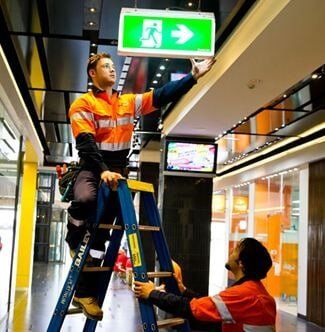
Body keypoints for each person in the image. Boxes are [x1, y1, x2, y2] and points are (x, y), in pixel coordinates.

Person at [66, 52, 215, 320]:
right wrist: (103, 172)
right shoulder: (82, 104)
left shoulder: (127, 102)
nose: (112, 70)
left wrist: (192, 77)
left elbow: (160, 95)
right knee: (86, 200)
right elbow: (86, 145)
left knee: (101, 238)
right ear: (92, 73)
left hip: (118, 171)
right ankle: (72, 237)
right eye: (106, 66)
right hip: (93, 166)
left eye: (113, 66)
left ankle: (86, 294)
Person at [134, 238, 276, 331]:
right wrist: (184, 290)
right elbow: (211, 308)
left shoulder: (243, 295)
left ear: (241, 263)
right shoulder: (257, 293)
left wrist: (151, 293)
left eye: (236, 250)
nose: (231, 252)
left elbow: (191, 309)